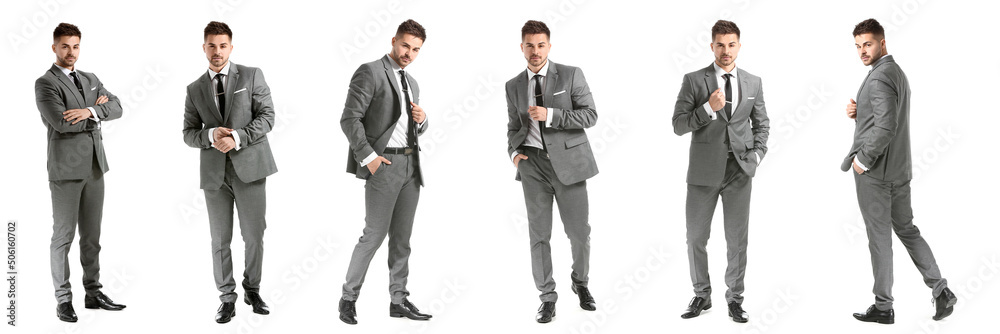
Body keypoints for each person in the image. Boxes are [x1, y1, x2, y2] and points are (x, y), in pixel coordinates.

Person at [844, 18, 957, 325]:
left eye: (868, 44)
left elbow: (886, 126)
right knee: (907, 229)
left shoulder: (879, 78)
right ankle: (941, 289)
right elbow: (885, 117)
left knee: (879, 239)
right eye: (857, 46)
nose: (862, 51)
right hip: (899, 171)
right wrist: (859, 113)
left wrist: (862, 160)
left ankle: (883, 306)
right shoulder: (895, 72)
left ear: (882, 42)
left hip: (876, 174)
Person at [671, 20, 769, 324]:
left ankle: (735, 299)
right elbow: (677, 125)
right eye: (720, 45)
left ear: (739, 45)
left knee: (737, 239)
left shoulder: (753, 82)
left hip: (739, 170)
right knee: (696, 237)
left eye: (731, 44)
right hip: (703, 172)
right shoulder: (693, 80)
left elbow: (762, 123)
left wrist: (757, 154)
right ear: (712, 46)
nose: (726, 51)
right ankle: (702, 294)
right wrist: (707, 109)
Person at [181, 21, 278, 324]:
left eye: (223, 45)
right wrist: (210, 135)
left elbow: (268, 117)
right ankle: (226, 298)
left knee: (254, 236)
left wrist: (236, 137)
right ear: (204, 47)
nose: (217, 51)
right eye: (212, 45)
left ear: (231, 47)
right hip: (215, 176)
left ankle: (252, 288)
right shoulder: (194, 89)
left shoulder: (251, 75)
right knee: (219, 240)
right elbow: (187, 134)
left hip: (250, 169)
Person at [338, 19, 433, 325]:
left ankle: (398, 299)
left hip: (411, 166)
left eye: (416, 49)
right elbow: (349, 119)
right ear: (394, 41)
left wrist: (423, 119)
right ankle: (348, 298)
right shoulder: (370, 71)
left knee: (402, 240)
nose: (409, 53)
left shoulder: (413, 82)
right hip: (384, 165)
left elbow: (409, 126)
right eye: (405, 45)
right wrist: (370, 158)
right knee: (373, 236)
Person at [506, 20, 599, 324]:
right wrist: (515, 155)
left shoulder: (571, 74)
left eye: (541, 45)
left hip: (569, 166)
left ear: (549, 45)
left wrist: (552, 115)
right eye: (529, 45)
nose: (535, 51)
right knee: (539, 235)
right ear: (522, 47)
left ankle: (581, 281)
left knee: (579, 233)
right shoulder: (513, 85)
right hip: (533, 166)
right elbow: (513, 127)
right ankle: (547, 297)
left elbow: (590, 115)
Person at [35, 22, 126, 323]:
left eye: (75, 46)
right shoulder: (45, 83)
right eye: (64, 46)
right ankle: (63, 299)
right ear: (54, 47)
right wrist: (97, 113)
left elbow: (118, 107)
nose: (70, 52)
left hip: (95, 167)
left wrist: (90, 111)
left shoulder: (90, 78)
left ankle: (93, 292)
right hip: (65, 169)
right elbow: (60, 122)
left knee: (92, 236)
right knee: (63, 236)